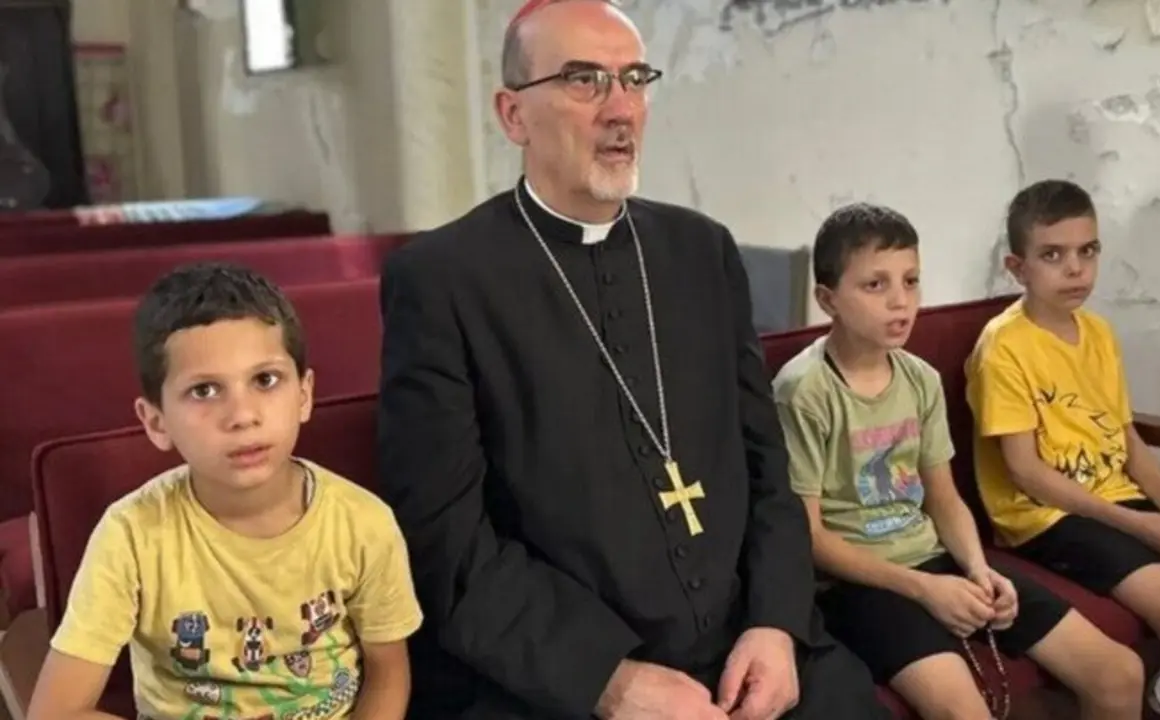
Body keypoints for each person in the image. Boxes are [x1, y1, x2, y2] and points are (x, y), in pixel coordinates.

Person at [374, 1, 890, 718]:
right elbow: (445, 539)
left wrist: (774, 624)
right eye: (585, 81)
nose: (621, 109)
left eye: (635, 79)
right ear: (513, 114)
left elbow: (767, 464)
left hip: (747, 644)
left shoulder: (703, 252)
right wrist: (610, 682)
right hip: (558, 671)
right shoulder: (442, 280)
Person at [773, 202, 1144, 720]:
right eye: (875, 286)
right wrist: (927, 590)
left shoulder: (919, 378)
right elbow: (810, 538)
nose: (900, 302)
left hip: (935, 557)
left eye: (911, 281)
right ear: (828, 299)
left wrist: (977, 570)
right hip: (858, 583)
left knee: (1118, 673)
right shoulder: (804, 391)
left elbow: (943, 497)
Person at [27, 263, 423, 720]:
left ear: (304, 394)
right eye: (204, 390)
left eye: (265, 380)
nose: (242, 415)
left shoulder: (363, 523)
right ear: (156, 422)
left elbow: (387, 671)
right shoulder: (131, 535)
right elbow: (54, 712)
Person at [965, 179, 1160, 720]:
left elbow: (1123, 436)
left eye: (1087, 251)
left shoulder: (1098, 333)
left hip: (1119, 501)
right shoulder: (1004, 347)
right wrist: (1140, 525)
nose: (1075, 269)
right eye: (1053, 255)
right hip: (1048, 517)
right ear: (1018, 268)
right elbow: (1026, 473)